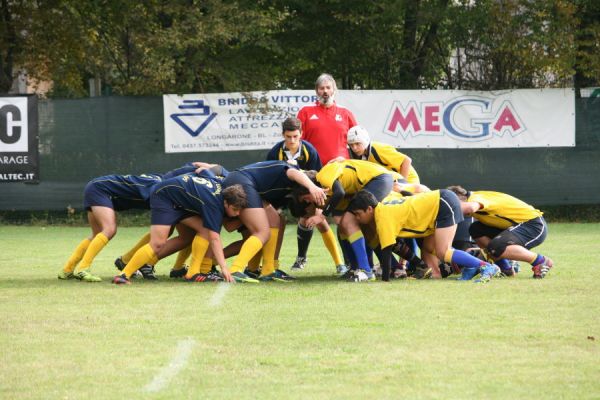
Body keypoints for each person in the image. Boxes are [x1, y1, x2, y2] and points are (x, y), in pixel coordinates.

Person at [58, 163, 201, 282]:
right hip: (101, 190)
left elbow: (195, 165)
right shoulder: (157, 185)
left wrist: (213, 168)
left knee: (96, 234)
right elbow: (164, 202)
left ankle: (67, 270)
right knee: (109, 229)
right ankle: (83, 268)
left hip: (96, 187)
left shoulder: (164, 178)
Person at [112, 169, 247, 285]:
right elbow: (215, 239)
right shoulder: (214, 204)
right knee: (157, 243)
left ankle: (192, 273)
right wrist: (224, 268)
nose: (238, 213)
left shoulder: (221, 185)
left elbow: (201, 171)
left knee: (204, 229)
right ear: (226, 203)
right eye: (235, 209)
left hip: (179, 202)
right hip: (163, 197)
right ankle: (123, 275)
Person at [347, 190, 501, 282]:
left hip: (443, 203)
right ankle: (470, 263)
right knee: (428, 248)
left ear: (369, 209)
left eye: (358, 214)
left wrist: (385, 280)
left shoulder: (382, 216)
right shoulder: (382, 207)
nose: (357, 219)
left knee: (443, 251)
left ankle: (486, 266)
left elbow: (386, 250)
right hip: (440, 202)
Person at [222, 160, 327, 282]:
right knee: (262, 232)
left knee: (277, 221)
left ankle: (265, 269)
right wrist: (312, 186)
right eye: (315, 196)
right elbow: (293, 172)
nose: (309, 201)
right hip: (241, 182)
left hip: (246, 185)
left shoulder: (288, 192)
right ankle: (236, 269)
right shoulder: (296, 173)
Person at [293, 159, 396, 281]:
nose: (309, 202)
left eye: (306, 199)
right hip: (371, 183)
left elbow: (340, 192)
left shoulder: (323, 176)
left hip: (378, 179)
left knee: (348, 221)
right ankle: (355, 268)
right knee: (343, 225)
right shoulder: (329, 190)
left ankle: (366, 270)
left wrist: (322, 215)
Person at [266, 117, 345, 274]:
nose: (292, 140)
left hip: (305, 193)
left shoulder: (309, 150)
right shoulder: (275, 152)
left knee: (316, 220)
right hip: (283, 193)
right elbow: (269, 177)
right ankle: (272, 265)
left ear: (301, 134)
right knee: (277, 222)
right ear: (283, 135)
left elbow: (318, 176)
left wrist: (319, 204)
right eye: (288, 137)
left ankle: (339, 263)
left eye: (295, 136)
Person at [446, 186, 553, 278]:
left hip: (533, 225)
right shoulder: (474, 196)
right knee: (476, 229)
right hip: (518, 225)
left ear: (458, 200)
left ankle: (540, 261)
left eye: (452, 206)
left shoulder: (476, 199)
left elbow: (470, 208)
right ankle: (506, 269)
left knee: (495, 246)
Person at [345, 125, 428, 193]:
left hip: (408, 180)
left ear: (365, 140)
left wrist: (402, 184)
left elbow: (406, 160)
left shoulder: (378, 149)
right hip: (391, 182)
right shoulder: (362, 155)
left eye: (357, 143)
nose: (354, 148)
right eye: (351, 145)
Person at [297, 73, 357, 165]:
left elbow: (357, 141)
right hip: (313, 168)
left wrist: (347, 159)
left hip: (341, 167)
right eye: (322, 88)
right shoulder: (305, 112)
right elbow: (297, 141)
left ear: (334, 90)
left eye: (328, 88)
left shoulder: (346, 113)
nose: (325, 91)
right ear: (317, 91)